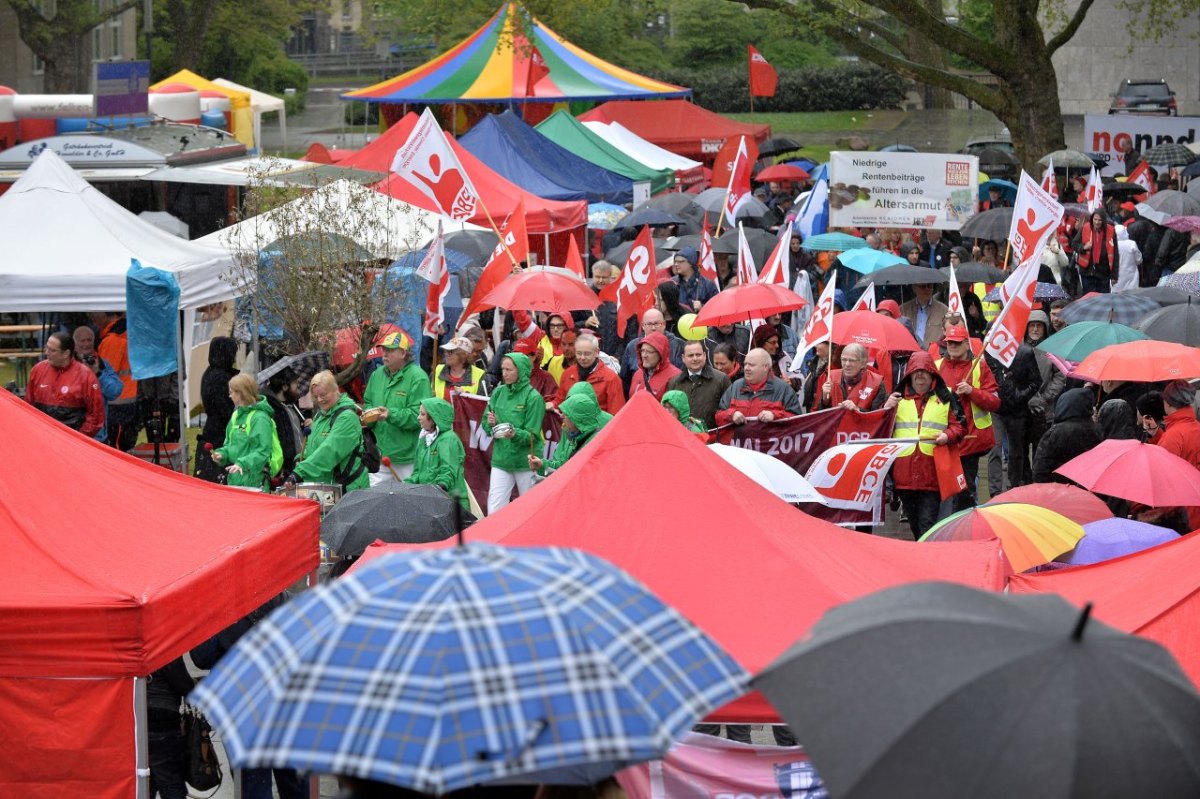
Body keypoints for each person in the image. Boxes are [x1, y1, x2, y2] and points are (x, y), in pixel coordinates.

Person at [190, 593, 307, 799]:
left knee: (253, 787)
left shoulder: (220, 608)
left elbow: (201, 657)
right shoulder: (284, 599)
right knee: (295, 783)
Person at [885, 351, 966, 539]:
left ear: (932, 375)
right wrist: (886, 408)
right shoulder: (896, 399)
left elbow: (960, 425)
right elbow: (881, 428)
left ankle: (924, 559)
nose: (920, 376)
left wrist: (947, 435)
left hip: (933, 472)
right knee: (914, 522)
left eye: (924, 372)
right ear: (909, 375)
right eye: (916, 372)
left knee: (927, 522)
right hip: (904, 473)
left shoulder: (947, 397)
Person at [935, 324, 1001, 509]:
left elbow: (994, 403)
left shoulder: (980, 366)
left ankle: (965, 526)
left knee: (965, 490)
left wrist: (972, 392)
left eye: (956, 343)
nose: (952, 347)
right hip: (944, 439)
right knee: (944, 490)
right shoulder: (937, 366)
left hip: (970, 442)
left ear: (966, 344)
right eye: (949, 343)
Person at [363, 330, 430, 485]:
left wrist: (390, 415)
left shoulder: (418, 377)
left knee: (408, 504)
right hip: (379, 455)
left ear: (403, 353)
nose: (385, 354)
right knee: (376, 502)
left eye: (390, 350)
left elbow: (419, 416)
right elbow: (367, 402)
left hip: (407, 458)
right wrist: (368, 415)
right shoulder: (377, 375)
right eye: (384, 349)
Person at [483, 352, 545, 514]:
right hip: (501, 459)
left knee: (530, 510)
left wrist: (514, 433)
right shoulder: (498, 392)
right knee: (494, 509)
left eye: (509, 370)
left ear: (521, 371)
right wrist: (490, 423)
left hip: (526, 461)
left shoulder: (534, 398)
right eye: (503, 369)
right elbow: (486, 422)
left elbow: (532, 435)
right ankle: (493, 539)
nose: (504, 373)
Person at [291, 370, 369, 492]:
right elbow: (311, 446)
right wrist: (299, 459)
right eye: (316, 397)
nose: (320, 400)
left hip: (348, 490)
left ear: (335, 390)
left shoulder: (347, 417)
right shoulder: (319, 416)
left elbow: (330, 451)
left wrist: (300, 472)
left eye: (323, 394)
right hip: (327, 488)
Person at [985, 343, 1042, 497]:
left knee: (1016, 451)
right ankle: (995, 492)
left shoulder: (1025, 353)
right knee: (994, 449)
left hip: (1017, 411)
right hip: (996, 409)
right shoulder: (988, 353)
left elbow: (1036, 381)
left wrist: (1020, 396)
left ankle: (1013, 487)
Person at [24, 331, 104, 438]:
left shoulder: (86, 377)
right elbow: (28, 405)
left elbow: (95, 415)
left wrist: (79, 438)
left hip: (72, 440)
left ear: (66, 353)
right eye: (46, 347)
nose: (46, 353)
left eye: (52, 350)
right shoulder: (38, 370)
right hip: (41, 436)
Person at [211, 373, 277, 490]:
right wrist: (222, 455)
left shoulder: (260, 418)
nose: (229, 396)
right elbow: (230, 446)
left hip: (255, 481)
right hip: (235, 479)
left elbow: (263, 452)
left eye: (231, 392)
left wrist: (242, 463)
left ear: (241, 393)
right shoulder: (236, 415)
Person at [406, 397, 470, 512]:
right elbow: (417, 472)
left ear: (434, 417)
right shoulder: (423, 438)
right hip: (430, 502)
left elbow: (448, 471)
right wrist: (406, 485)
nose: (418, 417)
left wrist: (438, 487)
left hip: (451, 503)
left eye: (422, 414)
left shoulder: (448, 439)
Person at [715, 348, 802, 432]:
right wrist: (731, 415)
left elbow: (799, 422)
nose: (746, 368)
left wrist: (775, 416)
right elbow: (718, 416)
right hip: (738, 445)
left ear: (765, 367)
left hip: (770, 445)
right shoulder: (735, 387)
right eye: (745, 364)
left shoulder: (783, 389)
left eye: (751, 365)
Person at [529, 385, 609, 476]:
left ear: (577, 418)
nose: (561, 416)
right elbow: (562, 465)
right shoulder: (573, 436)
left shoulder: (595, 443)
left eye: (567, 413)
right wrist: (542, 465)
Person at [1154, 380, 1200, 531]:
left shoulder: (1173, 435)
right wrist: (1156, 436)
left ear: (1168, 403)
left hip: (1183, 513)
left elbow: (1161, 476)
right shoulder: (1195, 427)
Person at [1032, 388, 1103, 484]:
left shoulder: (1055, 433)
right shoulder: (1096, 431)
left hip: (1056, 487)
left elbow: (1040, 467)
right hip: (1084, 486)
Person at [146, 656, 193, 799]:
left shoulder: (123, 646)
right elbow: (183, 684)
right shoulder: (164, 647)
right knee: (170, 783)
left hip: (132, 719)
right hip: (163, 721)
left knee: (143, 783)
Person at [91, 311, 139, 451]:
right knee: (125, 447)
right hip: (128, 400)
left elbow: (105, 376)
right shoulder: (127, 333)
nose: (94, 322)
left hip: (116, 404)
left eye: (94, 316)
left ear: (105, 315)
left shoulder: (112, 341)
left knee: (115, 450)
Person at [195, 337, 240, 482]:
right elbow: (225, 410)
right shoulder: (220, 378)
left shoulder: (210, 372)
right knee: (218, 476)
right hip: (220, 432)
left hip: (214, 429)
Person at [73, 325, 123, 443]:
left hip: (98, 435)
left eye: (89, 340)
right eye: (82, 341)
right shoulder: (68, 365)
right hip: (73, 432)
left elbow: (115, 391)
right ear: (74, 344)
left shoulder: (101, 364)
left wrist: (98, 373)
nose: (86, 344)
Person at [554, 331, 624, 414]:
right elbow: (560, 401)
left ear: (597, 352)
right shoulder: (567, 374)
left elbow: (616, 413)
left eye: (587, 354)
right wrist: (551, 404)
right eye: (579, 353)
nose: (582, 358)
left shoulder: (611, 378)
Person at [666, 339, 731, 428]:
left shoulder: (722, 379)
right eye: (690, 355)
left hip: (712, 436)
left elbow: (728, 410)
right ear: (683, 358)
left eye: (698, 355)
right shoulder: (674, 382)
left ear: (704, 356)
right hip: (683, 436)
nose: (695, 358)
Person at [621, 309, 683, 394]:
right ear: (642, 325)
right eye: (649, 324)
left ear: (664, 324)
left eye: (657, 324)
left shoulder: (679, 345)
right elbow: (625, 382)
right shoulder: (632, 346)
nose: (653, 328)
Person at [813, 342, 886, 412]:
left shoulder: (876, 383)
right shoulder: (831, 377)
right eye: (844, 359)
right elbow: (820, 416)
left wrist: (857, 410)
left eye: (852, 360)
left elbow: (878, 417)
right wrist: (825, 400)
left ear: (863, 364)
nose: (847, 364)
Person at [264, 367, 306, 476]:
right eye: (295, 383)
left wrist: (305, 426)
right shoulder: (271, 410)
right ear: (284, 386)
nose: (298, 386)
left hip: (299, 466)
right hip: (284, 472)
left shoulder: (292, 406)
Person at [583, 260, 623, 357]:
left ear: (610, 277)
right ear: (592, 276)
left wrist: (620, 355)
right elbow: (572, 324)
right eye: (597, 277)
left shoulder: (619, 297)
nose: (600, 280)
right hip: (590, 354)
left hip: (615, 353)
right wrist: (585, 323)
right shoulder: (584, 296)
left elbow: (628, 330)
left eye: (604, 277)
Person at [1073, 209, 1117, 294]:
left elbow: (1115, 254)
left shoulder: (1111, 231)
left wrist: (1114, 275)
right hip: (1087, 272)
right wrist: (1084, 247)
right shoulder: (1085, 228)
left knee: (1103, 299)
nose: (1097, 222)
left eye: (1099, 220)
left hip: (1103, 272)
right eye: (1095, 219)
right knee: (1088, 298)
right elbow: (1074, 244)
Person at [629, 331, 681, 400]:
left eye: (649, 352)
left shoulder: (675, 377)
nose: (644, 355)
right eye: (642, 351)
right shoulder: (637, 374)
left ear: (660, 354)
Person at [900, 283, 949, 349]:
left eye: (929, 286)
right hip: (909, 352)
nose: (927, 289)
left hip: (933, 354)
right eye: (923, 286)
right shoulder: (903, 309)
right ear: (914, 288)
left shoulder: (944, 310)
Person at [673, 246, 717, 311]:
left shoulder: (707, 284)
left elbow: (716, 307)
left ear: (691, 263)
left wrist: (702, 307)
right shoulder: (672, 282)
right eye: (675, 261)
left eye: (680, 261)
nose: (676, 264)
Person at [1113, 224, 1142, 293]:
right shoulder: (1132, 244)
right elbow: (1139, 259)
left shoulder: (1112, 245)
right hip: (1132, 277)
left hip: (1116, 278)